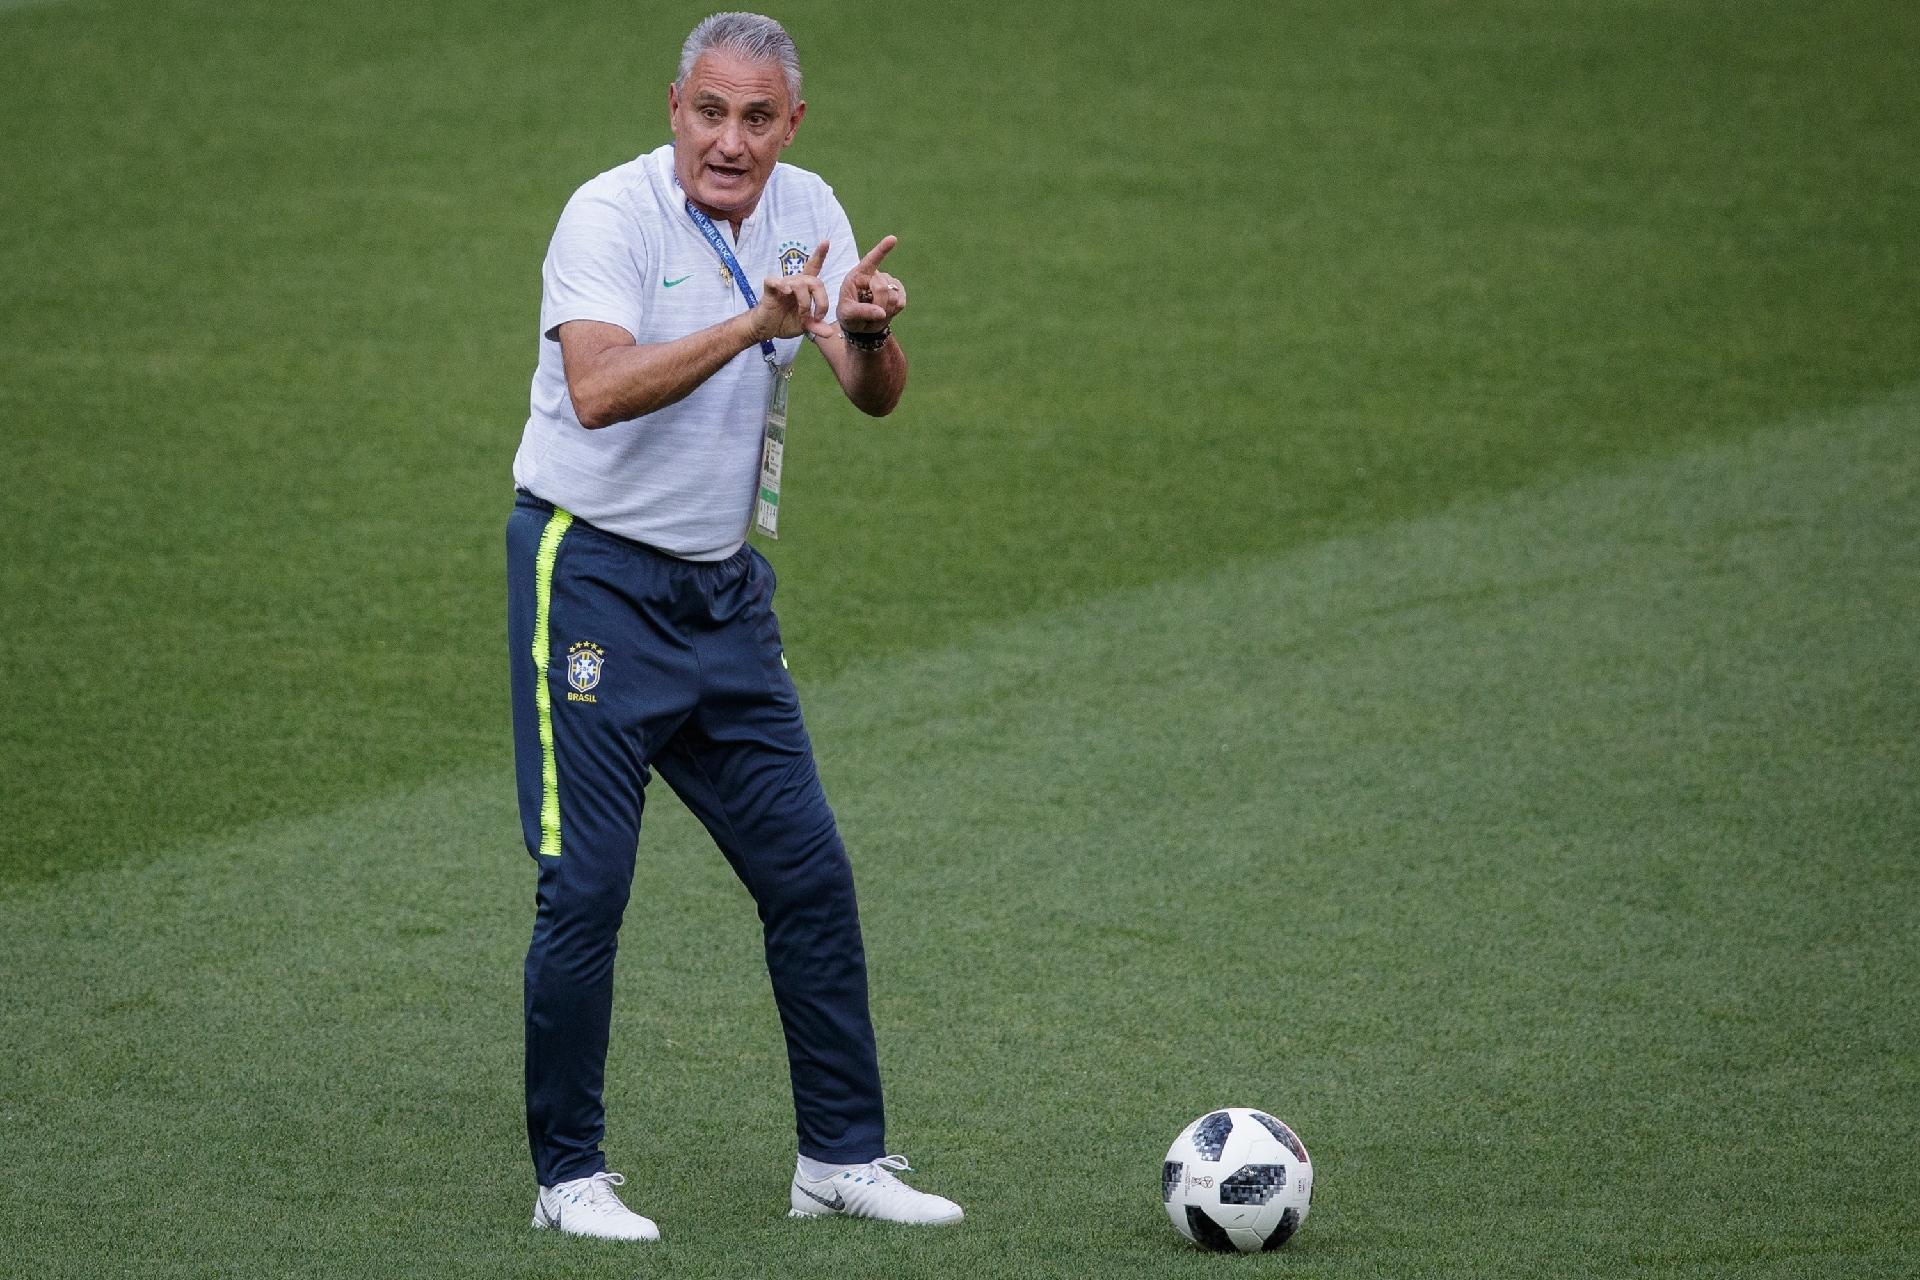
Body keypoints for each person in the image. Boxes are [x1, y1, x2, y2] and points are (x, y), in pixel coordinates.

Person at [503, 12, 961, 1243]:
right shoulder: (608, 217)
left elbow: (873, 396)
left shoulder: (808, 202)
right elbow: (596, 391)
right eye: (712, 111)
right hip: (589, 577)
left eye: (759, 118)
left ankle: (841, 1157)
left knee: (808, 874)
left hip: (722, 599)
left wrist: (864, 332)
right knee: (587, 886)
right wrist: (754, 328)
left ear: (790, 126)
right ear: (675, 107)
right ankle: (569, 1177)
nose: (733, 140)